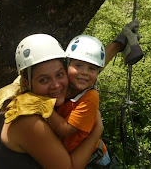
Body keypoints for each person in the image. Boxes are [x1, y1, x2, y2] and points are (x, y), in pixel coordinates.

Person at [0, 34, 104, 169]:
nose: (56, 85)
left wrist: (118, 43)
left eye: (60, 74)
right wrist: (97, 131)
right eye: (44, 80)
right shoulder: (28, 119)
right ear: (27, 83)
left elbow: (86, 69)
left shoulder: (21, 101)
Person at [47, 35, 111, 168]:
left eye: (92, 68)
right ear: (67, 65)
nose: (84, 72)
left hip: (93, 161)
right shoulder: (61, 87)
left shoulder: (90, 97)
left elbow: (66, 130)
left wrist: (43, 107)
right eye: (78, 65)